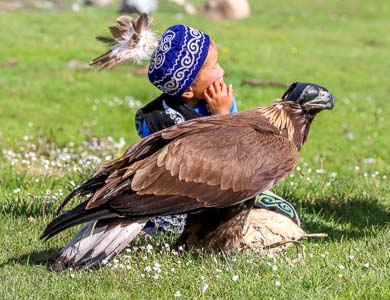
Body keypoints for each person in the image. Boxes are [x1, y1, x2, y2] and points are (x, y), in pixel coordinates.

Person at [134, 24, 301, 234]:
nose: (221, 71)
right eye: (213, 67)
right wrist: (223, 118)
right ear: (187, 90)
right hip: (182, 195)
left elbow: (242, 156)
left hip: (228, 184)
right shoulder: (154, 118)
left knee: (282, 209)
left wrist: (224, 113)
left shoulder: (223, 103)